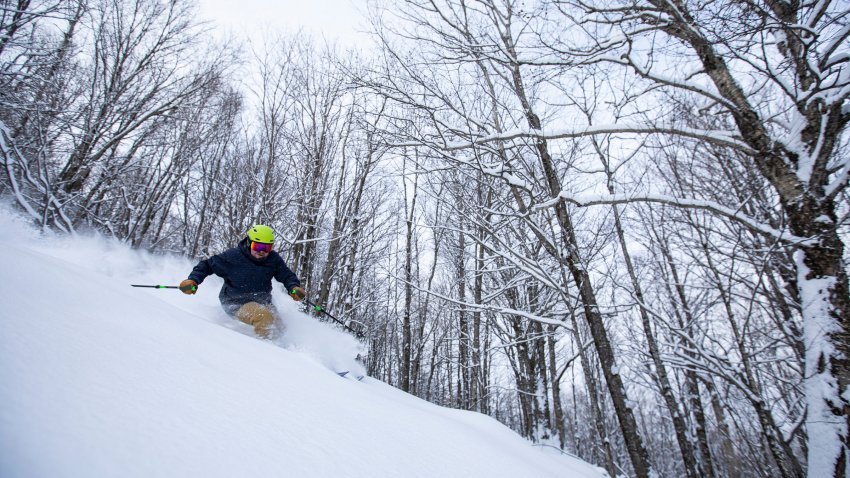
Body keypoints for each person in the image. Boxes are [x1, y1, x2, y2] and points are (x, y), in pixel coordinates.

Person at [179, 224, 306, 339]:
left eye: (267, 248)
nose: (262, 251)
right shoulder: (234, 257)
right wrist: (193, 280)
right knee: (264, 319)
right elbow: (207, 265)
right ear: (249, 243)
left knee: (280, 327)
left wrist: (293, 287)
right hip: (236, 302)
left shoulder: (273, 259)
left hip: (262, 300)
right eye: (258, 246)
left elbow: (286, 275)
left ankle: (285, 353)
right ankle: (265, 352)